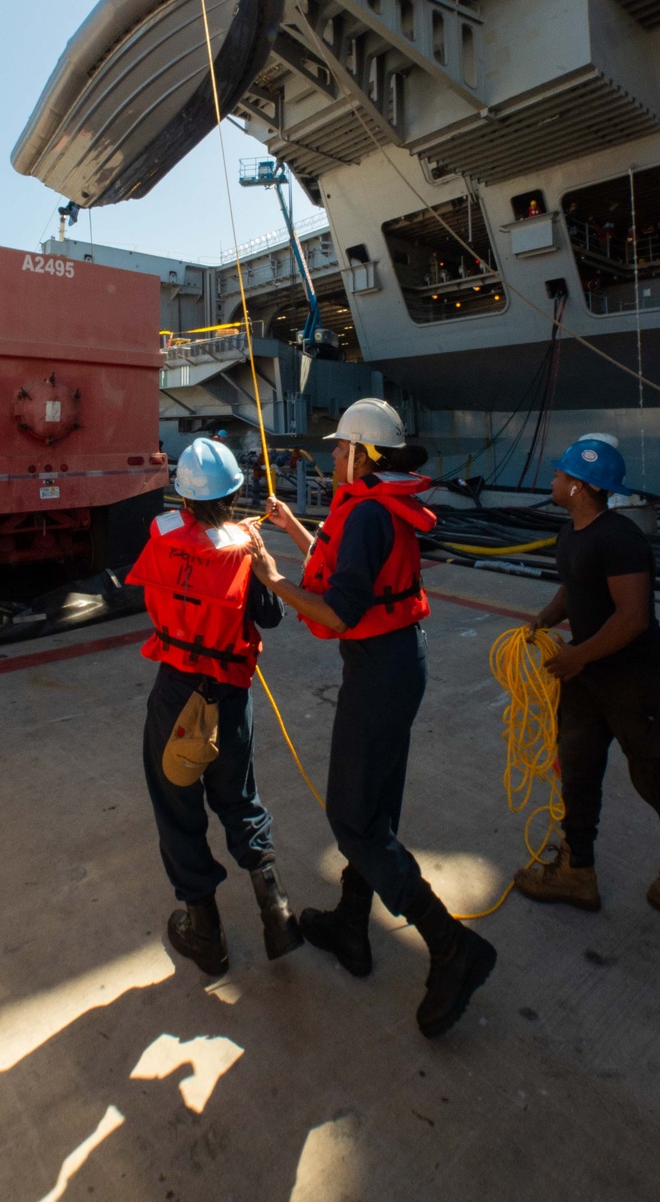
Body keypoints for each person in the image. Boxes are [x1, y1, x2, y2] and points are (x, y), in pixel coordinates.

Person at [247, 399, 497, 1040]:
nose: (332, 456)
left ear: (363, 456)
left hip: (378, 671)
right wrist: (294, 531)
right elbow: (345, 570)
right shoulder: (378, 506)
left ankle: (450, 947)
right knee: (374, 810)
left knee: (353, 822)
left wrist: (273, 580)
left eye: (339, 448)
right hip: (398, 662)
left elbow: (338, 613)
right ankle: (351, 928)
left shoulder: (363, 515)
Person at [127, 437, 302, 978]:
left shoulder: (160, 534)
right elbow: (269, 617)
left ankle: (206, 935)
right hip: (229, 692)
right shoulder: (244, 549)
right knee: (239, 797)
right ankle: (276, 915)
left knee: (176, 806)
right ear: (235, 493)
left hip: (176, 691)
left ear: (182, 498)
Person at [514, 438, 660, 914]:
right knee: (577, 772)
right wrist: (542, 621)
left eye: (560, 475)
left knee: (657, 773)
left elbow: (633, 616)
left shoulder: (619, 537)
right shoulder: (573, 534)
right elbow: (572, 588)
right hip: (587, 684)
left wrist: (577, 655)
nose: (553, 480)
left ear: (579, 487)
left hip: (635, 681)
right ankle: (577, 871)